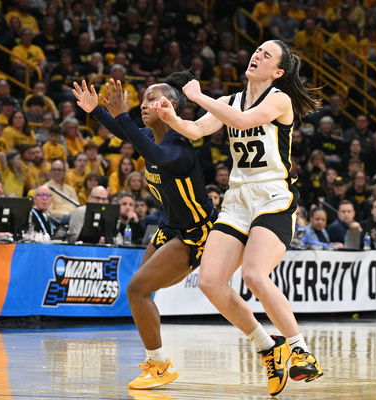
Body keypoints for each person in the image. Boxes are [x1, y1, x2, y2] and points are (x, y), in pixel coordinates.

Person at [151, 40, 323, 395]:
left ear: (277, 72)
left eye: (267, 55)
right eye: (257, 51)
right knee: (211, 281)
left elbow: (244, 121)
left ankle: (301, 350)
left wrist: (198, 96)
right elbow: (197, 131)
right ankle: (267, 345)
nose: (257, 56)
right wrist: (171, 117)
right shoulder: (229, 101)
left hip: (272, 195)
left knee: (255, 274)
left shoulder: (279, 99)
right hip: (237, 199)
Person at [72, 71, 216, 390]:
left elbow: (151, 153)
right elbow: (129, 134)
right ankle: (157, 359)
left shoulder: (179, 147)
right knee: (142, 290)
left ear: (171, 106)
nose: (143, 104)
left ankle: (160, 365)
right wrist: (96, 109)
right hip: (170, 226)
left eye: (151, 98)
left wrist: (122, 114)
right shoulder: (150, 137)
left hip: (196, 232)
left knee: (137, 289)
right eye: (142, 99)